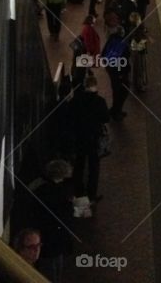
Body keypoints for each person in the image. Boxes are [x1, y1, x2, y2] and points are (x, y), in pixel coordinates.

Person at [70, 74, 110, 207]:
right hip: (94, 138)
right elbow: (105, 118)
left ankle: (78, 191)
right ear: (95, 86)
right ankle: (91, 194)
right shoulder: (100, 101)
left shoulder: (75, 101)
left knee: (79, 164)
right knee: (94, 166)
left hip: (79, 137)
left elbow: (71, 118)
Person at [33, 159, 74, 282]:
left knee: (51, 267)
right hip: (55, 237)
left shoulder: (42, 188)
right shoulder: (59, 192)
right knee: (54, 268)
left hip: (48, 236)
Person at [102, 23, 131, 120]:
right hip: (120, 72)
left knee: (116, 90)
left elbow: (103, 54)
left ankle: (115, 109)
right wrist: (123, 73)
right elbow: (126, 59)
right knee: (123, 91)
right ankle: (116, 112)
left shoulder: (111, 40)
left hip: (111, 70)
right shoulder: (123, 44)